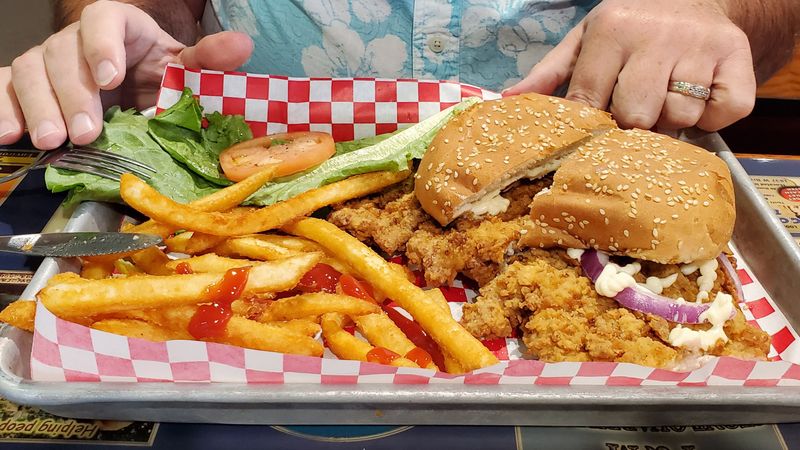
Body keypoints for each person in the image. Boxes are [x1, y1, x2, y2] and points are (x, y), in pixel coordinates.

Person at [1, 0, 797, 150]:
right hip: (248, 157)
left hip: (599, 160)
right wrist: (130, 50)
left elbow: (769, 19)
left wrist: (707, 6)